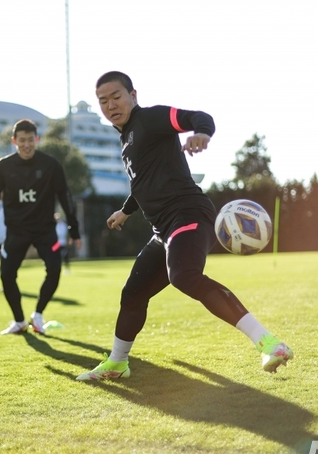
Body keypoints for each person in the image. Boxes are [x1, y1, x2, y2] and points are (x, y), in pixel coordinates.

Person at [76, 71, 293, 381]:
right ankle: (117, 363)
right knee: (133, 294)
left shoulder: (150, 118)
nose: (110, 105)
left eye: (116, 97)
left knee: (185, 277)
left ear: (133, 95)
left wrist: (201, 133)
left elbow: (200, 117)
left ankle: (271, 343)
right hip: (162, 230)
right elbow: (144, 183)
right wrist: (125, 212)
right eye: (103, 101)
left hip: (188, 214)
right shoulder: (127, 139)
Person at [0, 119, 82, 335]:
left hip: (45, 230)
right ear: (14, 141)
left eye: (30, 140)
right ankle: (19, 321)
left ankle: (38, 314)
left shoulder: (51, 165)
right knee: (6, 275)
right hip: (16, 231)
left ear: (37, 139)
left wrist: (74, 229)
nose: (26, 145)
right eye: (22, 141)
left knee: (54, 270)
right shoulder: (3, 166)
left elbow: (65, 197)